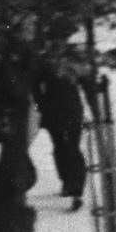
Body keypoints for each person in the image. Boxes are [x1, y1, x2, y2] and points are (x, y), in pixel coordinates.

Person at [32, 70, 86, 212]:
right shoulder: (47, 60)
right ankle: (69, 183)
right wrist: (42, 104)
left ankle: (75, 187)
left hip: (70, 111)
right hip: (56, 112)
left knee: (70, 147)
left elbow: (86, 80)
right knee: (63, 147)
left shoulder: (70, 60)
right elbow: (35, 84)